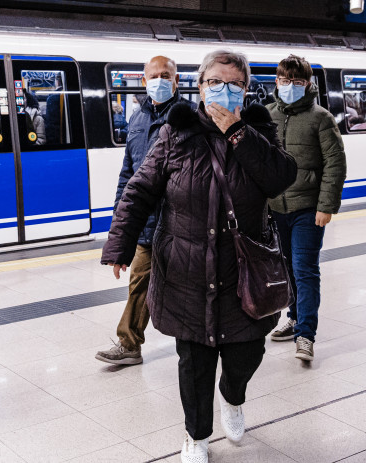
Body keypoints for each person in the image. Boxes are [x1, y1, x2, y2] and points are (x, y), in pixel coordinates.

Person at [101, 50, 297, 463]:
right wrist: (120, 243)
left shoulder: (260, 129)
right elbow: (139, 189)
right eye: (215, 82)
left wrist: (240, 133)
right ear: (200, 85)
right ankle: (197, 435)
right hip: (185, 270)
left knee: (248, 353)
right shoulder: (176, 133)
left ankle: (233, 395)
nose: (224, 91)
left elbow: (280, 178)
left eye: (234, 84)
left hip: (244, 271)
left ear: (245, 90)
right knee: (194, 363)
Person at [95, 55, 195, 367]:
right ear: (143, 80)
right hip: (147, 224)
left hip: (181, 223)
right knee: (139, 281)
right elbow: (128, 176)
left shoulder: (189, 116)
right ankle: (129, 344)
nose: (160, 81)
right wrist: (119, 226)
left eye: (166, 75)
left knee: (188, 288)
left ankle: (198, 346)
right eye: (154, 76)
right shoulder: (137, 119)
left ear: (177, 80)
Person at [267, 55, 347, 362]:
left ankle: (305, 334)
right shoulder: (266, 115)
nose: (289, 86)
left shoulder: (321, 118)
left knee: (304, 269)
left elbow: (335, 164)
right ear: (276, 81)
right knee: (286, 270)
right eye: (284, 81)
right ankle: (294, 317)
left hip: (307, 208)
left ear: (308, 85)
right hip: (275, 209)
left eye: (296, 82)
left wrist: (326, 206)